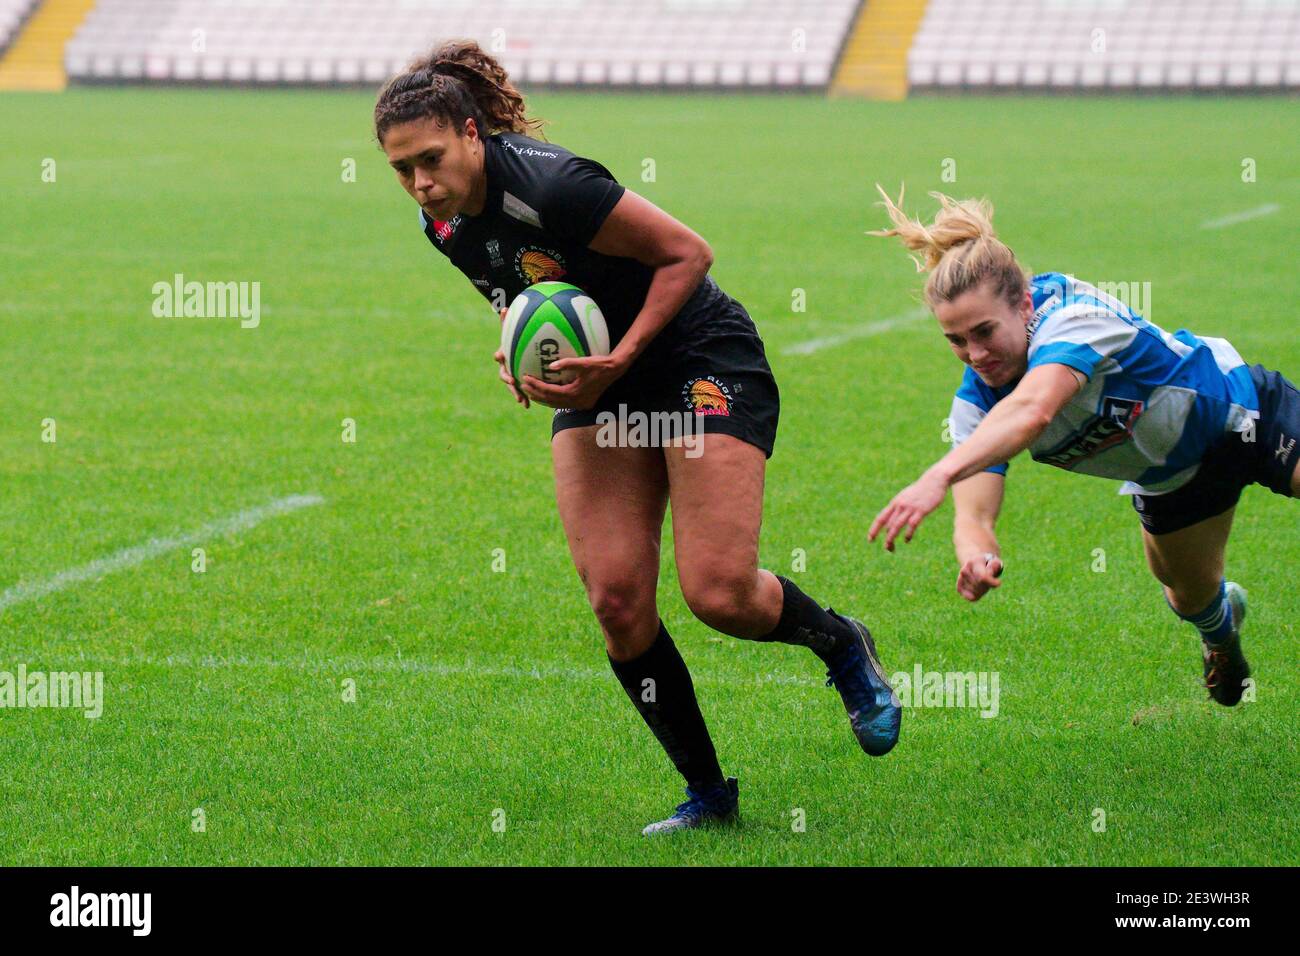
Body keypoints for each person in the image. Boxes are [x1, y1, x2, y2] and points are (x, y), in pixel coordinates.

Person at [375, 42, 901, 834]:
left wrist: (621, 355)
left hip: (697, 356)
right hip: (599, 380)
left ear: (473, 135)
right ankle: (708, 796)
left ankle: (841, 643)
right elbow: (523, 291)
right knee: (617, 601)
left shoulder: (554, 182)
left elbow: (689, 253)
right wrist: (515, 347)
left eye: (431, 159)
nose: (420, 182)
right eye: (401, 169)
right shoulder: (441, 221)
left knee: (718, 593)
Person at [867, 186, 1299, 706]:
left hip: (1244, 414)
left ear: (1025, 304)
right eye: (956, 341)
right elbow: (974, 517)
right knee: (1190, 597)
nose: (974, 354)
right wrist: (978, 556)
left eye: (984, 332)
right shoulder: (977, 404)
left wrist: (936, 474)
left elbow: (1034, 409)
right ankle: (1222, 636)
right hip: (1172, 478)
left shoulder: (1073, 313)